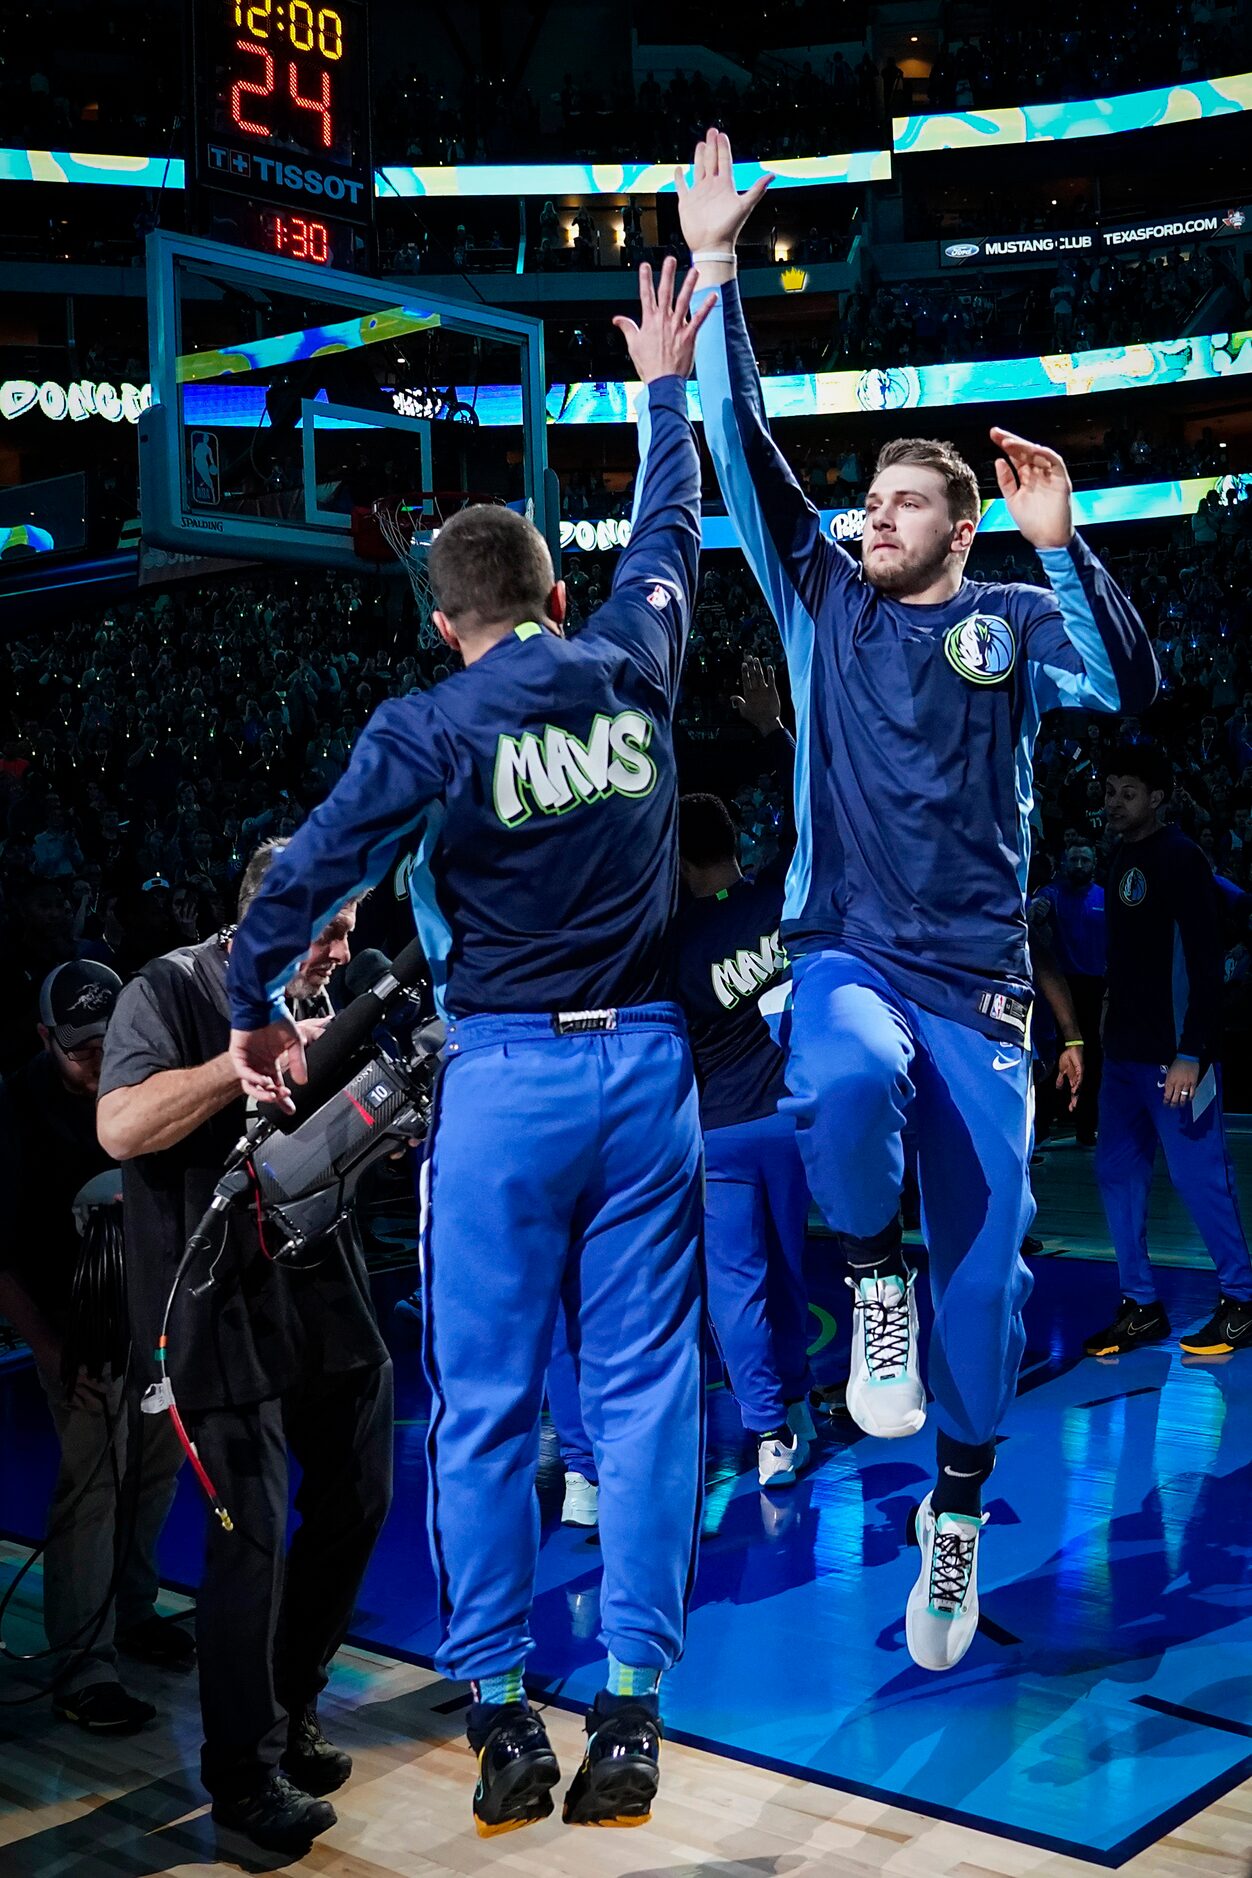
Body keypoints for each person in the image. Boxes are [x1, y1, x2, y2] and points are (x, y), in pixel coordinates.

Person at [225, 260, 712, 1836]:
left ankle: (504, 1714)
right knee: (639, 1399)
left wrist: (248, 1001)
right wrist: (659, 383)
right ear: (556, 594)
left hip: (502, 1083)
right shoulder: (635, 656)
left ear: (448, 623)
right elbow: (670, 534)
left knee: (488, 1402)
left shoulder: (428, 723)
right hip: (648, 1075)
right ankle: (632, 1710)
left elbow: (305, 877)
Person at [679, 128, 1158, 1672]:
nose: (869, 514)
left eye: (899, 502)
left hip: (988, 993)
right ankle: (866, 1275)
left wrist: (1066, 547)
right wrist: (720, 267)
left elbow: (1127, 682)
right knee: (838, 1070)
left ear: (958, 526)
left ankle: (955, 1511)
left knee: (993, 1286)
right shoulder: (819, 597)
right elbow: (742, 444)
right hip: (850, 956)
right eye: (867, 496)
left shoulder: (1015, 619)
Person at [95, 849, 392, 1855]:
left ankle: (292, 1698)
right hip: (209, 1303)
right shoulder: (169, 989)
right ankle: (243, 1775)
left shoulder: (349, 988)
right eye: (324, 929)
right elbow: (122, 1127)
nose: (340, 952)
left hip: (321, 1285)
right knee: (252, 1532)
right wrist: (239, 1061)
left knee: (360, 1495)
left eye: (348, 929)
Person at [0, 962, 187, 1732]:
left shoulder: (143, 1074)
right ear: (47, 1039)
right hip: (75, 1327)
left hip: (156, 1317)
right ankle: (85, 1661)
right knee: (93, 1484)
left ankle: (134, 1610)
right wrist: (48, 1351)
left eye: (109, 1042)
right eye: (81, 1050)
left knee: (156, 1465)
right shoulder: (18, 1109)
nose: (99, 1062)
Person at [675, 658, 814, 1487]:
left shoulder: (670, 938)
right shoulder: (779, 898)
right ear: (733, 843)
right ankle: (796, 1405)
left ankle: (766, 1431)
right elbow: (815, 814)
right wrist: (775, 730)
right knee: (796, 1268)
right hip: (790, 1120)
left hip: (715, 1132)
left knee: (735, 1285)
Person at [1085, 743, 1252, 1358]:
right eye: (1109, 792)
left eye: (1128, 793)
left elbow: (1206, 968)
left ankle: (1242, 1300)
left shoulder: (1183, 857)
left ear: (1158, 799)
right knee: (1116, 1175)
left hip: (1176, 1059)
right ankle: (1141, 1305)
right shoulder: (1118, 855)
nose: (1114, 803)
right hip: (1123, 1056)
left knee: (1200, 1178)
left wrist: (1192, 1050)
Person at [1034, 841, 1105, 1144]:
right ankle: (1044, 1125)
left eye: (1084, 859)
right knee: (1052, 1052)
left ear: (1093, 863)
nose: (1078, 865)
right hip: (1059, 985)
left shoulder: (1105, 897)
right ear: (1064, 863)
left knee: (1092, 1055)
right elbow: (1030, 916)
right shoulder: (1051, 894)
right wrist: (1036, 913)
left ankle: (1087, 1127)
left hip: (1093, 985)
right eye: (1073, 858)